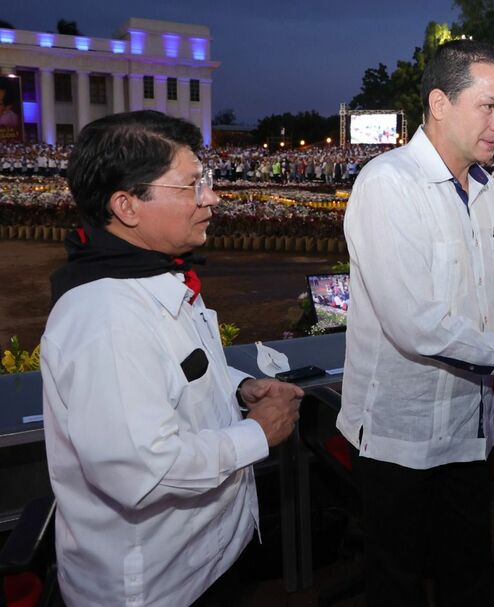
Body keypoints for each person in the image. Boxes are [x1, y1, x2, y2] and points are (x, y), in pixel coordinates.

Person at [338, 39, 494, 606]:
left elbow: (479, 308)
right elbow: (416, 325)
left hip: (469, 428)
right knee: (396, 585)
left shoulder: (488, 191)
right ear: (440, 103)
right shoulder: (388, 184)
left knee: (469, 576)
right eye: (489, 106)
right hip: (400, 436)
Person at [41, 110, 303, 606]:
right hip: (155, 588)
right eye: (191, 186)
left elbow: (176, 363)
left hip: (199, 562)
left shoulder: (148, 274)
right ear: (127, 205)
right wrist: (257, 432)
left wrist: (238, 386)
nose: (212, 198)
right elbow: (143, 471)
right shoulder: (107, 317)